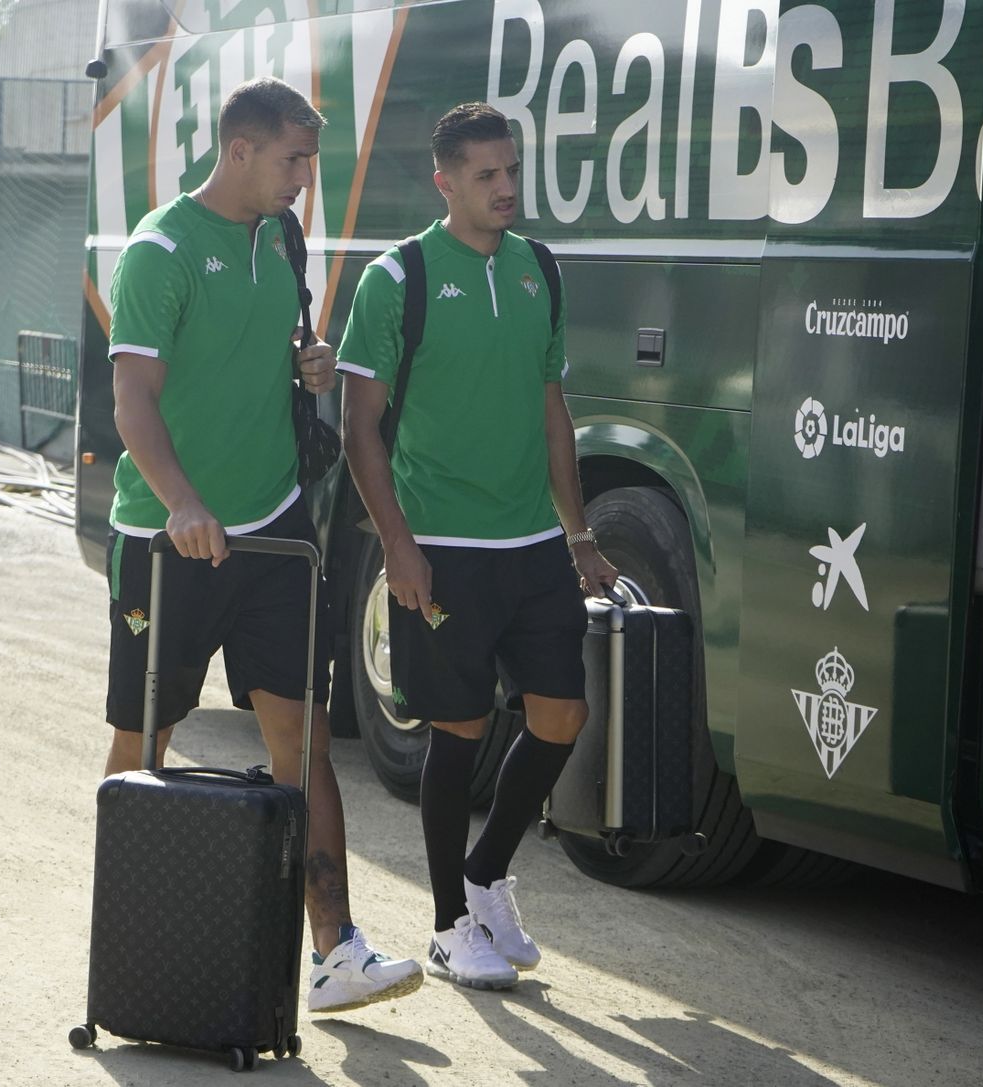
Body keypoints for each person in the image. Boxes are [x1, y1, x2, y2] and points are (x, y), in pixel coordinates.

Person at [101, 75, 421, 1013]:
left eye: (309, 163)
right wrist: (185, 504)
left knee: (305, 734)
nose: (303, 182)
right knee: (145, 737)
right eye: (292, 160)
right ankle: (130, 930)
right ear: (239, 151)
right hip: (167, 539)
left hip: (276, 527)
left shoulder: (280, 237)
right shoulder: (159, 251)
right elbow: (133, 402)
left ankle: (335, 951)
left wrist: (307, 359)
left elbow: (282, 342)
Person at [337, 102, 619, 990]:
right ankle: (449, 925)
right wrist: (399, 546)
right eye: (486, 174)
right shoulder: (399, 278)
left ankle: (487, 872)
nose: (506, 188)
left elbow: (551, 412)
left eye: (511, 170)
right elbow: (359, 429)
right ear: (445, 181)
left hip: (534, 543)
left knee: (561, 715)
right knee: (457, 729)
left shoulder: (541, 269)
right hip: (444, 546)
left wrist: (580, 535)